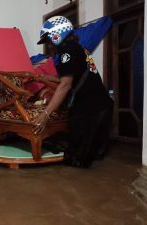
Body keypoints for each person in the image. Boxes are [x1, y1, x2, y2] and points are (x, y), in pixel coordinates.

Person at [33, 16, 113, 168]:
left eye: (49, 41)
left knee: (77, 160)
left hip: (92, 109)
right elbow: (69, 79)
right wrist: (45, 77)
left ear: (57, 35)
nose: (49, 46)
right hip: (100, 106)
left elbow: (65, 85)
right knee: (89, 157)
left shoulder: (66, 52)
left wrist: (45, 114)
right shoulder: (76, 48)